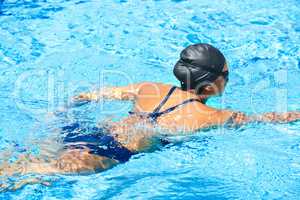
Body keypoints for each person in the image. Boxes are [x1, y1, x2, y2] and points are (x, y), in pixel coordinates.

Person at [1, 43, 300, 182]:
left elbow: (85, 95)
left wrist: (60, 112)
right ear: (211, 85)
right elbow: (271, 119)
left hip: (84, 130)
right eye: (227, 76)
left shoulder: (149, 87)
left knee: (21, 158)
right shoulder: (215, 118)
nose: (228, 80)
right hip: (113, 151)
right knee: (29, 174)